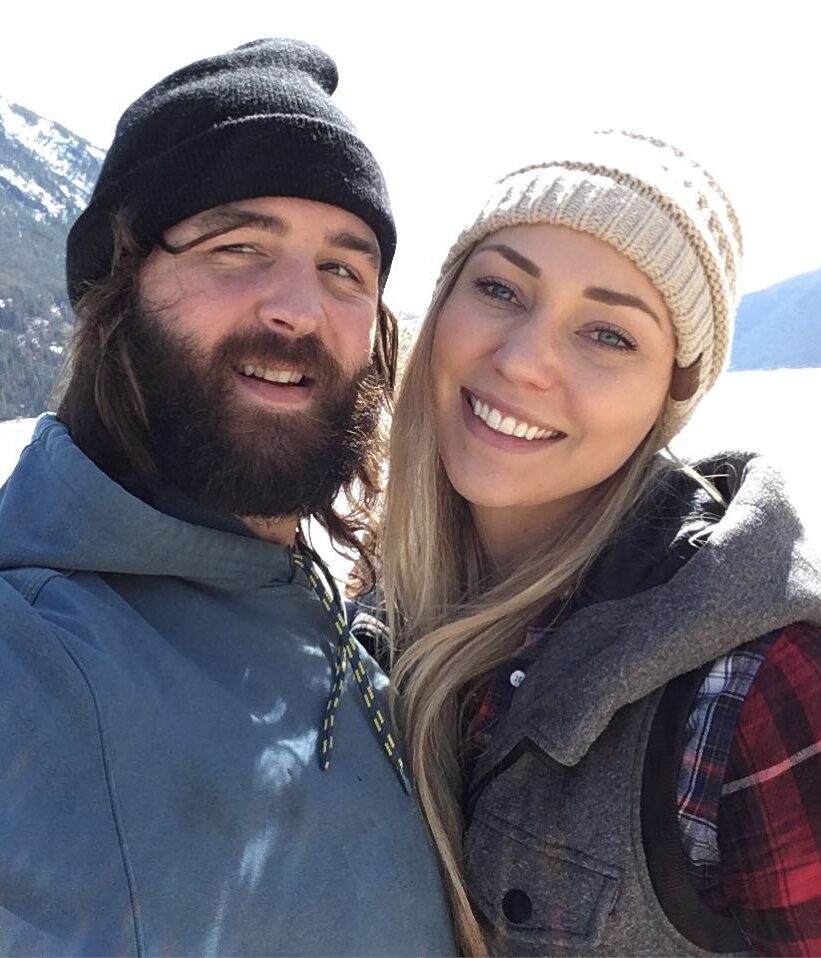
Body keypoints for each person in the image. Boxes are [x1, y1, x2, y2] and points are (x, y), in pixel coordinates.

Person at [0, 39, 454, 956]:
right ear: (115, 292)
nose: (297, 308)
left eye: (345, 269)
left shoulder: (347, 629)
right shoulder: (36, 653)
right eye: (237, 246)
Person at [371, 131, 821, 956]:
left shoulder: (750, 682)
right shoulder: (360, 610)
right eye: (500, 289)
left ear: (670, 393)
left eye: (609, 335)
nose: (525, 361)